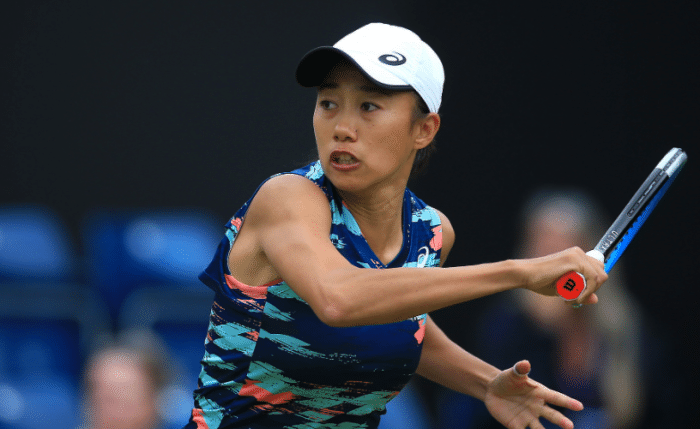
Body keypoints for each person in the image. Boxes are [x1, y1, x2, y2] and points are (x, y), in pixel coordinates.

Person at [183, 23, 608, 429]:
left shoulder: (431, 233)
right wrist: (519, 273)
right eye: (328, 103)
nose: (341, 128)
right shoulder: (286, 198)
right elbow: (338, 299)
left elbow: (404, 325)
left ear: (424, 129)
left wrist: (486, 383)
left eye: (368, 106)